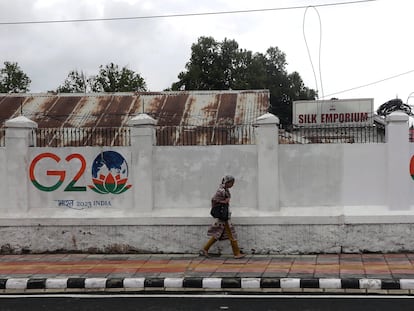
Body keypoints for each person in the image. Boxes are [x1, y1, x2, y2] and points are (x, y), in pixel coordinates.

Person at [199, 175, 246, 259]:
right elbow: (214, 200)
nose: (233, 184)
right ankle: (237, 253)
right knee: (232, 234)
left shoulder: (225, 190)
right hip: (224, 217)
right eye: (232, 183)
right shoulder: (221, 190)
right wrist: (224, 202)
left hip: (224, 215)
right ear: (228, 182)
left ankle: (205, 249)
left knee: (218, 234)